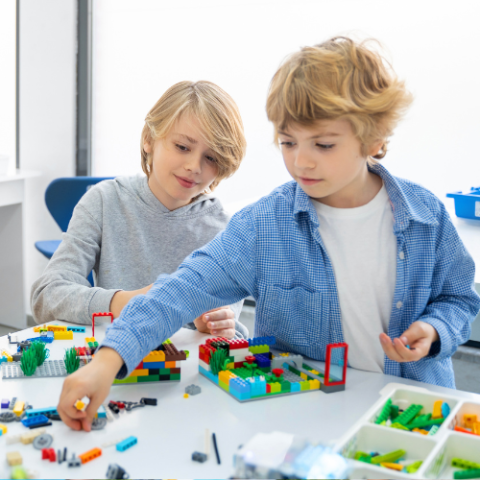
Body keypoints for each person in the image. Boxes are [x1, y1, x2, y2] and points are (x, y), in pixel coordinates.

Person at [58, 37, 480, 431]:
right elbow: (180, 290)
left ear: (374, 138)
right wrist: (107, 361)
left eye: (323, 145)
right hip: (305, 416)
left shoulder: (427, 218)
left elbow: (459, 297)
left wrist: (437, 329)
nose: (301, 162)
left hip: (412, 413)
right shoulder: (264, 225)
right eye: (287, 142)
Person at [31, 80, 248, 340]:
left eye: (211, 157)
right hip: (113, 365)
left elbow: (229, 326)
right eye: (182, 147)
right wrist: (125, 302)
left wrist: (216, 322)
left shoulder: (226, 231)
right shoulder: (103, 201)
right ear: (149, 140)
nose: (194, 165)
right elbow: (46, 296)